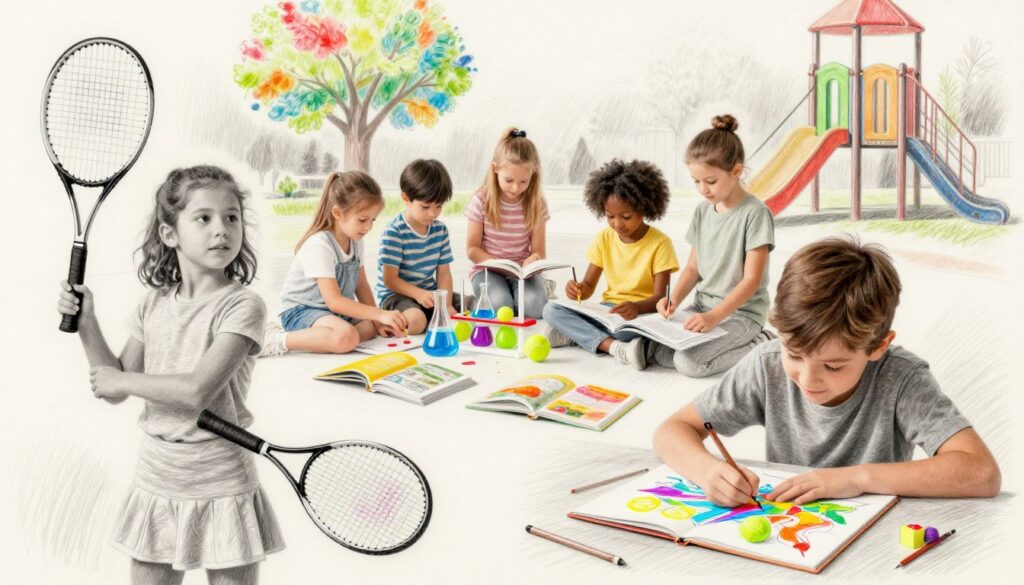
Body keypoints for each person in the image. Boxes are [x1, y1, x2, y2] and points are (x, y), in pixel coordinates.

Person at [57, 165, 284, 584]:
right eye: (204, 218)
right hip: (157, 477)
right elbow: (114, 385)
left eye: (231, 217)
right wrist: (87, 323)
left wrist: (120, 381)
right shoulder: (154, 304)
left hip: (221, 480)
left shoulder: (242, 306)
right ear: (169, 234)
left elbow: (195, 390)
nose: (222, 230)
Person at [653, 235, 1001, 507]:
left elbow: (981, 472)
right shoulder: (767, 363)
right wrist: (708, 471)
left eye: (833, 366)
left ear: (878, 346)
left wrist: (856, 479)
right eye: (795, 354)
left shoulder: (902, 378)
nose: (807, 379)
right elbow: (672, 430)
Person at [650, 114, 776, 377]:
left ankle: (763, 342)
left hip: (741, 315)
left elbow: (752, 280)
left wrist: (715, 317)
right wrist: (673, 300)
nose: (703, 190)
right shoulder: (702, 212)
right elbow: (693, 268)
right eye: (696, 181)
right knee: (659, 353)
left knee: (690, 364)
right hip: (702, 308)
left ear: (736, 171)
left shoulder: (755, 213)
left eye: (710, 181)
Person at [542, 159, 678, 369]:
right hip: (608, 311)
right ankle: (614, 348)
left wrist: (636, 307)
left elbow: (661, 297)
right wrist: (577, 289)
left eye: (625, 216)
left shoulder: (661, 243)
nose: (617, 224)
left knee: (626, 332)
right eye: (610, 216)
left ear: (644, 208)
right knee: (550, 309)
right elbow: (587, 288)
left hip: (641, 314)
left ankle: (576, 335)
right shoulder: (604, 238)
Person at [261, 171, 408, 356]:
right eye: (362, 219)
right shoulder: (319, 244)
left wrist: (378, 320)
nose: (368, 227)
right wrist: (379, 314)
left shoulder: (356, 241)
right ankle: (277, 339)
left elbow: (361, 286)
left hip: (333, 314)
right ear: (337, 212)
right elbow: (334, 301)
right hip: (301, 311)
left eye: (373, 220)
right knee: (347, 335)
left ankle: (331, 338)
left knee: (368, 328)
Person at [376, 159, 468, 334]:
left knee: (470, 304)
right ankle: (391, 325)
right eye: (425, 206)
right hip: (396, 297)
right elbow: (389, 279)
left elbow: (444, 274)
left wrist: (446, 305)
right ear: (406, 198)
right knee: (416, 320)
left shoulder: (440, 230)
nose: (432, 213)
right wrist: (418, 294)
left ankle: (433, 317)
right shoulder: (395, 232)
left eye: (439, 206)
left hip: (429, 295)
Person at [465, 128, 550, 318]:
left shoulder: (537, 203)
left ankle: (533, 292)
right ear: (495, 168)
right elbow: (472, 249)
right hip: (487, 269)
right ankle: (484, 298)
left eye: (523, 181)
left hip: (521, 271)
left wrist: (533, 259)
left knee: (534, 309)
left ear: (533, 175)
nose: (515, 188)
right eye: (509, 180)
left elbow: (539, 251)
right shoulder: (481, 200)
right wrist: (499, 264)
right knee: (500, 306)